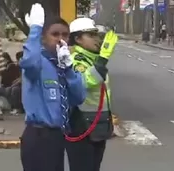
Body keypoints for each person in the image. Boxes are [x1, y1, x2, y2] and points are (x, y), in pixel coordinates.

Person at [19, 3, 86, 171]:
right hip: (39, 135)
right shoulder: (38, 63)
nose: (60, 39)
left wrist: (69, 69)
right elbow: (28, 61)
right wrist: (35, 29)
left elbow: (78, 97)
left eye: (65, 34)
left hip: (58, 135)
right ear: (44, 38)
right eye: (54, 34)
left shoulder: (63, 64)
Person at [65, 17, 118, 171]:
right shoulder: (75, 60)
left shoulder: (92, 59)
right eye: (91, 35)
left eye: (97, 35)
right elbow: (85, 82)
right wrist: (103, 59)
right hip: (81, 124)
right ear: (78, 39)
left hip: (98, 124)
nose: (97, 39)